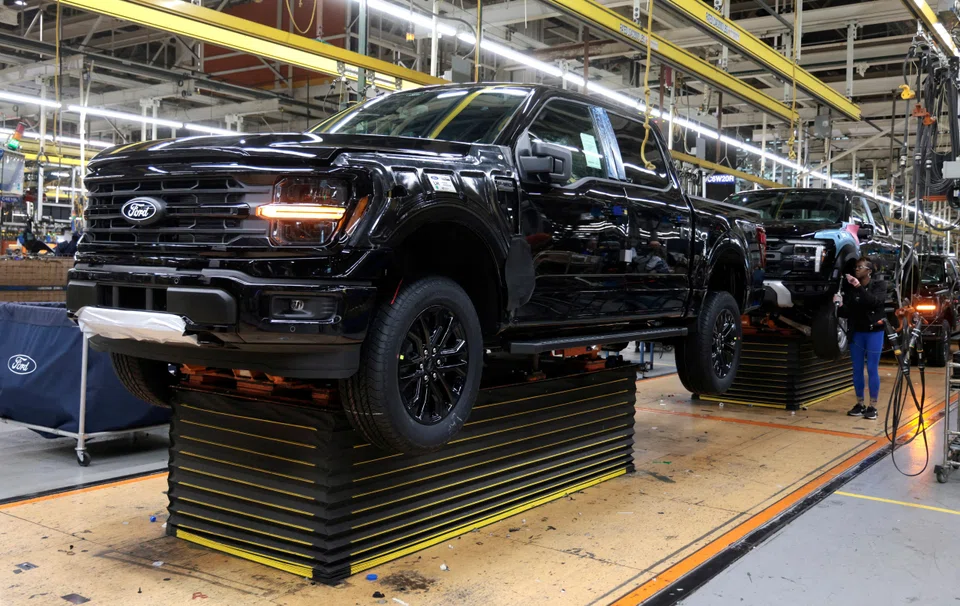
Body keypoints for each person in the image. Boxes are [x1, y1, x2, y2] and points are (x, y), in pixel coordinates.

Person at [835, 257, 887, 420]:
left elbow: (873, 302)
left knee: (872, 368)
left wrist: (858, 287)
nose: (857, 270)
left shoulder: (879, 285)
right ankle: (859, 403)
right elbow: (848, 312)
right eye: (856, 267)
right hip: (857, 332)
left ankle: (873, 405)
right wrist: (839, 305)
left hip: (874, 332)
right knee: (857, 368)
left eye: (860, 267)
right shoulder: (852, 289)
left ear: (869, 271)